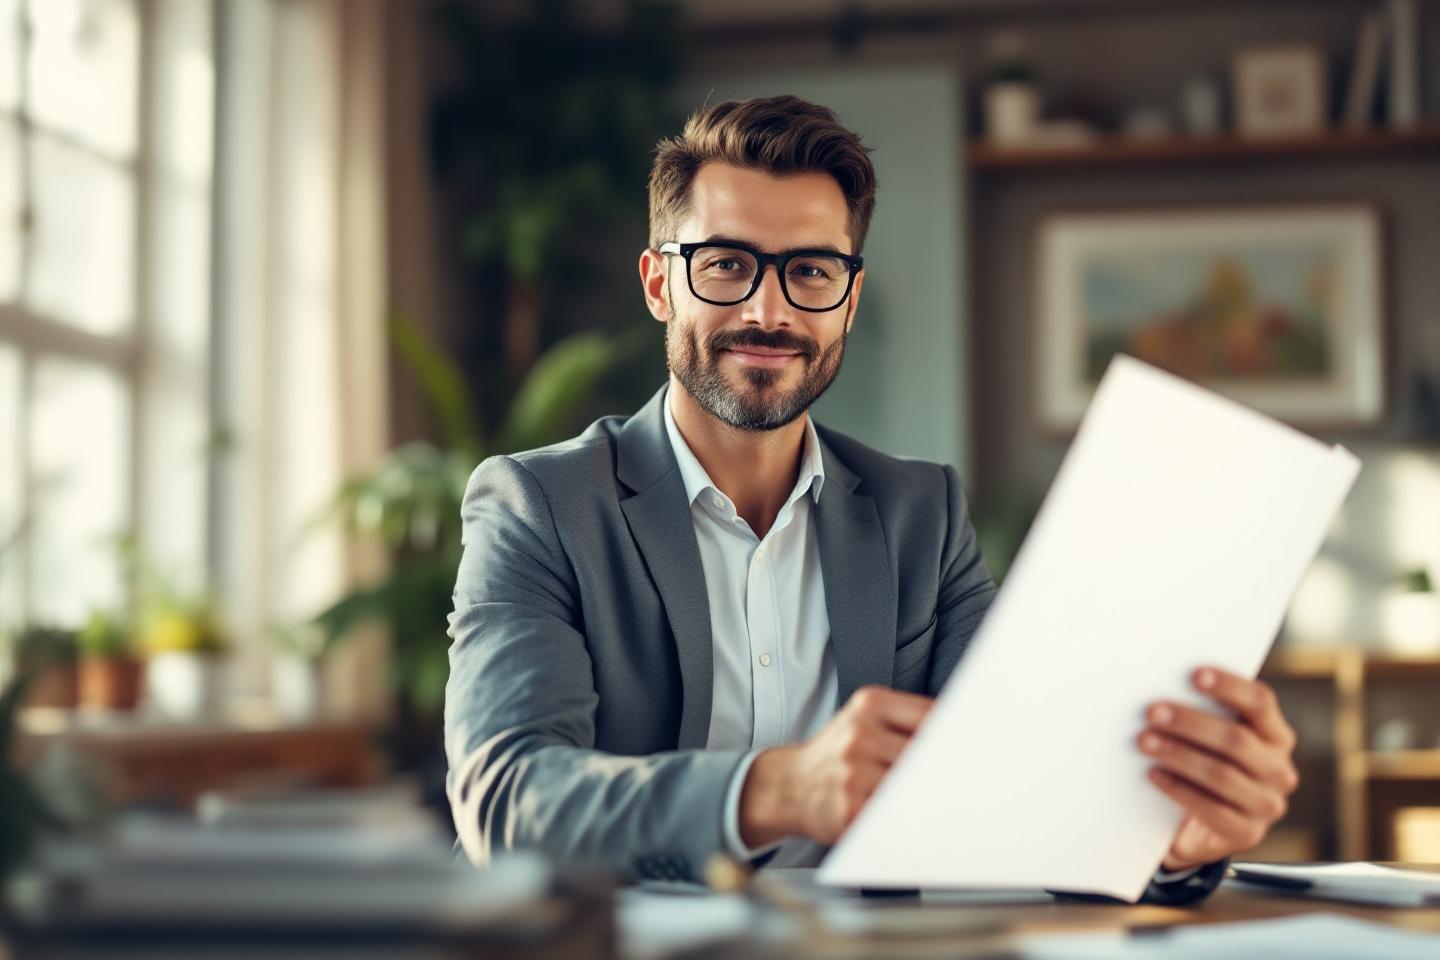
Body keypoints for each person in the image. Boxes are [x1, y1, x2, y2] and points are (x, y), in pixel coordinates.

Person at [444, 95, 1298, 903]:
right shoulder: (539, 504)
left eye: (810, 271)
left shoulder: (921, 515)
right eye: (727, 264)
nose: (768, 310)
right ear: (660, 283)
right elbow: (508, 796)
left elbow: (1026, 787)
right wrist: (774, 789)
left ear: (847, 300)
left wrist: (1170, 837)